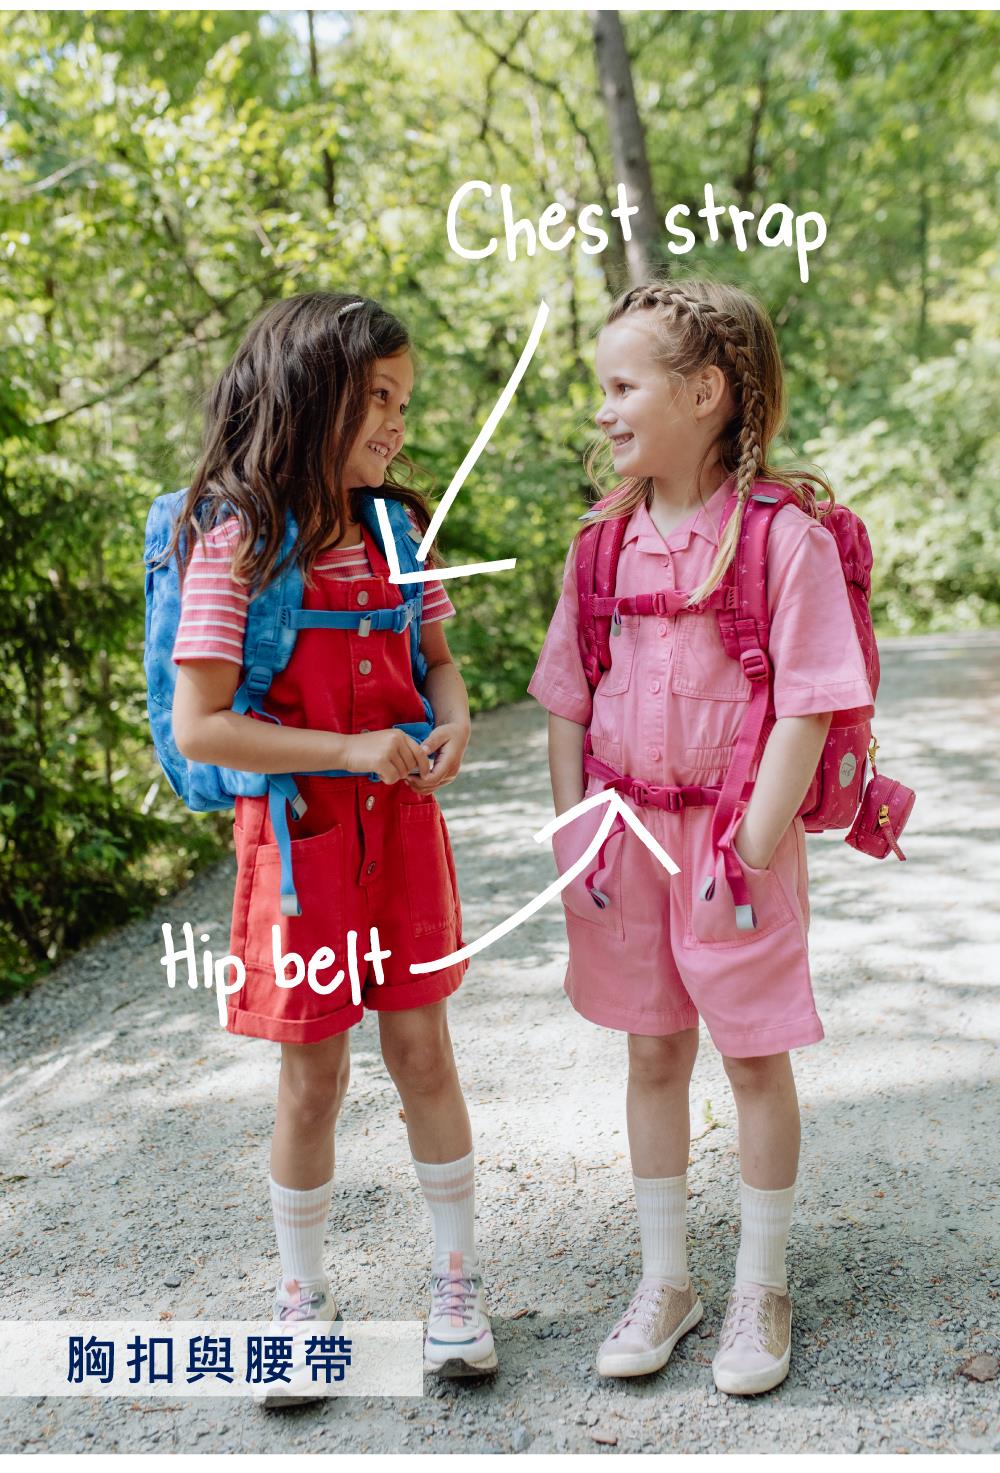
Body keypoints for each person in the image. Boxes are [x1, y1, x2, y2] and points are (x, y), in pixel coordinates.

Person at [528, 279, 874, 1397]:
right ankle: (666, 1279)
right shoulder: (600, 547)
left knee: (754, 1057)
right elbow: (568, 698)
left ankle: (760, 1286)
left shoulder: (781, 541)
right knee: (651, 1051)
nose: (603, 408)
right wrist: (578, 834)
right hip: (625, 842)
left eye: (622, 385)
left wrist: (754, 850)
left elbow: (807, 706)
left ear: (705, 392)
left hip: (735, 848)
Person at [167, 292, 496, 1394]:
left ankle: (455, 1282)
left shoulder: (400, 534)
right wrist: (350, 750)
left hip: (403, 839)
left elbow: (438, 663)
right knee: (311, 1079)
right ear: (310, 398)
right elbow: (202, 724)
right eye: (380, 398)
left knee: (424, 1056)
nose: (399, 422)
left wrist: (450, 722)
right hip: (298, 851)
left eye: (405, 400)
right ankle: (301, 1296)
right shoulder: (238, 547)